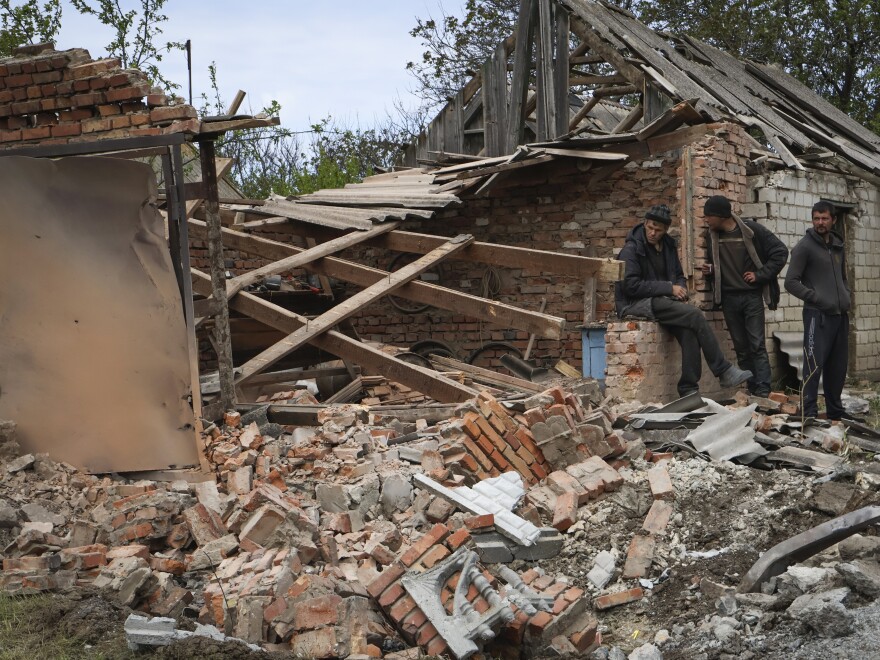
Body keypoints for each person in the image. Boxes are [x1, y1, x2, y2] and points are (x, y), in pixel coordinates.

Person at [614, 204, 752, 397]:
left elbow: (678, 275)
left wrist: (681, 289)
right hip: (634, 303)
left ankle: (688, 389)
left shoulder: (669, 246)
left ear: (665, 230)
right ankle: (723, 370)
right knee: (695, 315)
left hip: (660, 300)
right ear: (645, 223)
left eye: (658, 229)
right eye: (650, 227)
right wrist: (669, 288)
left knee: (689, 331)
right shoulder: (631, 249)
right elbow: (631, 286)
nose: (653, 232)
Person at [701, 195, 788, 398]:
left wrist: (760, 275)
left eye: (709, 216)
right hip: (729, 299)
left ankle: (764, 389)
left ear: (721, 216)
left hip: (751, 297)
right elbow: (722, 264)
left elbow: (780, 252)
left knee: (756, 344)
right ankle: (751, 389)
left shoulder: (752, 231)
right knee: (741, 347)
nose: (706, 220)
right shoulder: (712, 236)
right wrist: (712, 270)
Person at [784, 200, 851, 420]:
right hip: (817, 315)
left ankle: (835, 412)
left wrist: (845, 296)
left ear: (834, 219)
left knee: (838, 367)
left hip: (839, 316)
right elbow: (791, 282)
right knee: (813, 365)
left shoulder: (837, 246)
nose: (820, 223)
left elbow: (842, 278)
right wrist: (817, 298)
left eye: (824, 218)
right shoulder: (804, 247)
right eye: (816, 218)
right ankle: (809, 413)